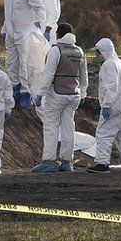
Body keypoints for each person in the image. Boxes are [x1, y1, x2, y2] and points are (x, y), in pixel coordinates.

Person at [32, 25, 88, 173]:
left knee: (51, 126)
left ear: (59, 34)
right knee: (68, 127)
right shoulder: (79, 51)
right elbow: (84, 75)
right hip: (74, 95)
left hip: (57, 94)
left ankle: (49, 161)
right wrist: (83, 93)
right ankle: (67, 161)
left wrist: (40, 94)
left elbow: (48, 74)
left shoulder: (56, 50)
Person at [88, 38, 121, 173]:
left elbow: (111, 87)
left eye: (97, 53)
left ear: (103, 52)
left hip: (113, 105)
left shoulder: (108, 65)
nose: (96, 56)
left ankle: (102, 163)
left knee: (104, 132)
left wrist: (106, 105)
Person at [0, 0, 46, 109]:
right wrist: (4, 29)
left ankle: (25, 92)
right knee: (11, 62)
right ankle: (15, 88)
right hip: (11, 33)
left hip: (24, 32)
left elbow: (39, 7)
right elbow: (9, 15)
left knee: (24, 63)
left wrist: (38, 20)